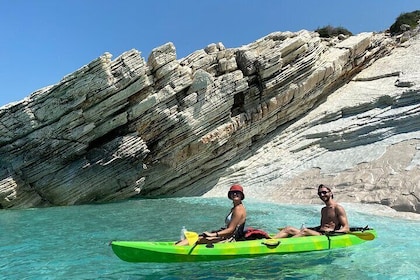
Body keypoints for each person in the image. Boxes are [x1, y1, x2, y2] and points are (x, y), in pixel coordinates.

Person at [176, 184, 247, 245]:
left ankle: (175, 249)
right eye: (233, 192)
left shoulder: (238, 209)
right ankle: (179, 245)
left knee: (196, 239)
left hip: (229, 239)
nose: (235, 194)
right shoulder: (235, 208)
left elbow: (231, 229)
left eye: (237, 192)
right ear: (230, 195)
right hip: (225, 236)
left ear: (241, 195)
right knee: (199, 236)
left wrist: (213, 235)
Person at [273, 184, 349, 238]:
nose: (322, 195)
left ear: (330, 193)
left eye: (324, 192)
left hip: (325, 236)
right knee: (288, 228)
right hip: (318, 233)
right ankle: (269, 241)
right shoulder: (324, 209)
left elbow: (346, 228)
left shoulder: (338, 208)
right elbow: (323, 225)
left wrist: (334, 233)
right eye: (320, 193)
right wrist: (312, 228)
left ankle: (284, 244)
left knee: (305, 231)